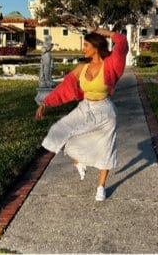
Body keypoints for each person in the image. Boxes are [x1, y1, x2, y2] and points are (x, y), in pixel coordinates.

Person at [36, 28, 128, 201]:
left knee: (105, 149)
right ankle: (79, 161)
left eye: (86, 45)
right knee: (59, 132)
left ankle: (101, 187)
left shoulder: (111, 64)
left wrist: (107, 33)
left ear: (96, 46)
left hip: (105, 112)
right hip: (85, 108)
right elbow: (65, 87)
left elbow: (122, 42)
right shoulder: (82, 67)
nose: (83, 48)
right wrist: (46, 102)